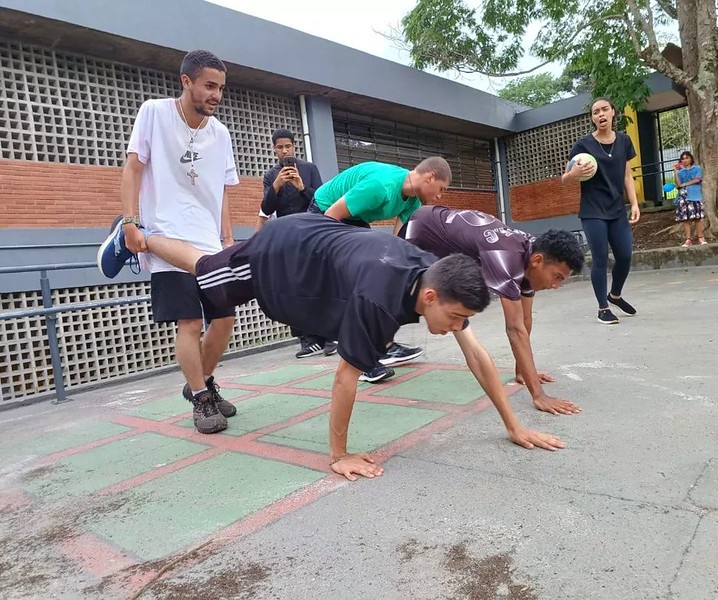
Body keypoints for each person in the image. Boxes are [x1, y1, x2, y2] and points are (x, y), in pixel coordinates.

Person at [140, 213, 566, 481]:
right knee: (202, 267)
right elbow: (346, 377)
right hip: (280, 253)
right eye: (456, 318)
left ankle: (142, 239)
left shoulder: (437, 276)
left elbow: (476, 355)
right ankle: (138, 239)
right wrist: (339, 455)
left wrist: (513, 423)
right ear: (431, 298)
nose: (458, 327)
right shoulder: (377, 301)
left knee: (209, 277)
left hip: (320, 242)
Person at [97, 50, 239, 435]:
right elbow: (133, 168)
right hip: (165, 235)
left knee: (225, 319)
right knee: (190, 321)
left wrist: (227, 239)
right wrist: (130, 223)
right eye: (209, 86)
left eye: (221, 88)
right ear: (186, 81)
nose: (216, 95)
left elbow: (225, 191)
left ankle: (201, 384)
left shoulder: (221, 133)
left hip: (208, 242)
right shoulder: (154, 113)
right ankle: (201, 397)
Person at [404, 206, 585, 415]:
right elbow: (515, 329)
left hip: (448, 239)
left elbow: (525, 319)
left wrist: (525, 373)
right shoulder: (506, 257)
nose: (556, 286)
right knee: (404, 300)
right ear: (537, 261)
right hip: (420, 229)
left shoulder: (530, 254)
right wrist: (539, 395)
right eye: (557, 277)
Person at [310, 157, 452, 382]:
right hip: (326, 212)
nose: (439, 197)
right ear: (430, 177)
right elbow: (330, 218)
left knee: (380, 277)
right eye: (441, 189)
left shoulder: (412, 202)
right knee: (353, 286)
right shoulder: (381, 187)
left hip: (355, 218)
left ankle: (385, 345)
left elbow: (395, 245)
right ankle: (364, 362)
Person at [255, 128, 334, 359]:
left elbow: (322, 200)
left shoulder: (309, 169)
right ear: (274, 149)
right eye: (279, 147)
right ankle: (308, 340)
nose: (284, 151)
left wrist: (301, 186)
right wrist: (277, 185)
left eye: (287, 146)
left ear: (294, 146)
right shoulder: (271, 175)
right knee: (294, 287)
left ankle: (331, 335)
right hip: (287, 236)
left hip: (312, 232)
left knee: (320, 283)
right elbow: (267, 209)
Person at [562, 97, 641, 325]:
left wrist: (634, 203)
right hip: (592, 210)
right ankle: (603, 308)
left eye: (605, 109)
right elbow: (565, 178)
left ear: (613, 112)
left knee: (625, 256)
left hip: (616, 209)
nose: (601, 114)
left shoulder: (624, 141)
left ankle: (614, 295)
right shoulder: (583, 146)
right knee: (600, 258)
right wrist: (573, 175)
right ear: (592, 118)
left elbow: (627, 175)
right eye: (596, 112)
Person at [673, 151, 706, 247]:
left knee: (697, 217)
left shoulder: (697, 168)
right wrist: (675, 172)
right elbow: (678, 184)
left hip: (695, 196)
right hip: (684, 197)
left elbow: (697, 179)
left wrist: (685, 184)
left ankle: (700, 237)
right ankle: (688, 239)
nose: (685, 160)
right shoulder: (680, 172)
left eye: (687, 158)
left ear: (691, 159)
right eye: (682, 158)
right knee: (685, 219)